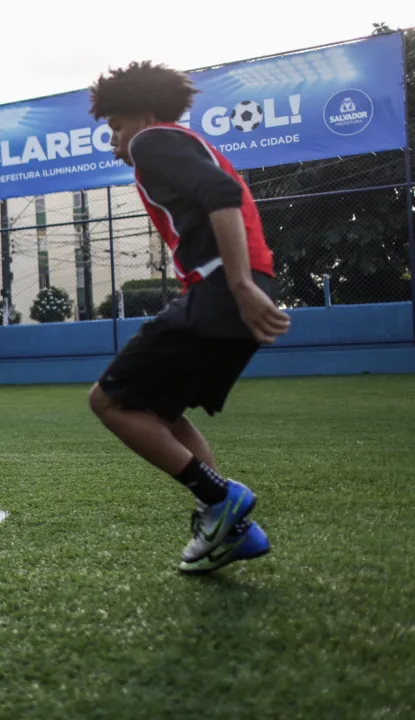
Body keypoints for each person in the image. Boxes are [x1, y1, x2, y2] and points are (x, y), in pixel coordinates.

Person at [87, 61, 291, 574]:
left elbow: (221, 195)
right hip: (233, 285)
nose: (115, 142)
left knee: (109, 403)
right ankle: (227, 525)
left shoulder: (152, 141)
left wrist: (240, 284)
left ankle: (220, 500)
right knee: (159, 413)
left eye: (115, 128)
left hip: (223, 287)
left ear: (144, 114)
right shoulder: (178, 141)